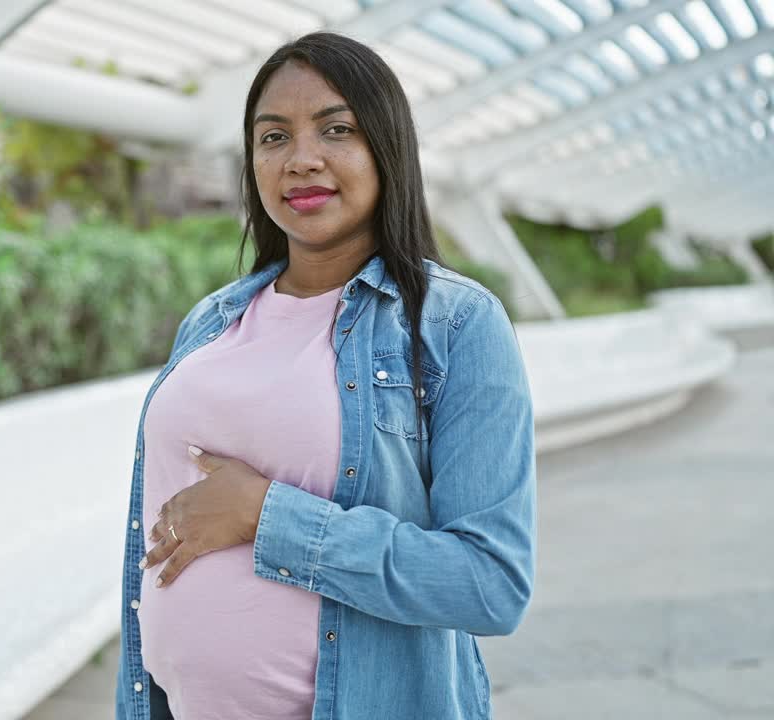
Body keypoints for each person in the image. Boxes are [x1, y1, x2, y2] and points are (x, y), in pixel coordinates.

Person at [115, 32, 536, 720]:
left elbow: (490, 584)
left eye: (336, 129)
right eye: (273, 137)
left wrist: (265, 515)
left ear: (387, 147)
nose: (301, 160)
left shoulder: (456, 324)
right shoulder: (211, 321)